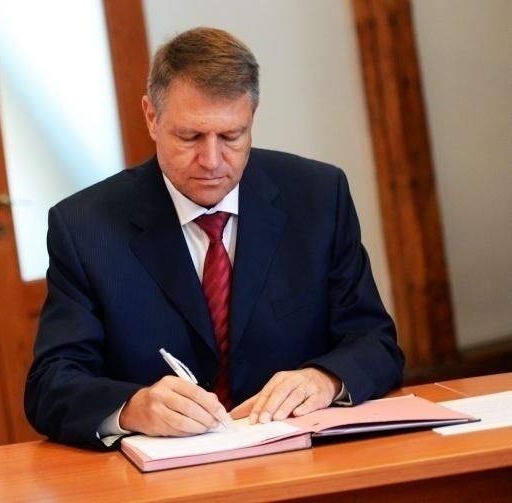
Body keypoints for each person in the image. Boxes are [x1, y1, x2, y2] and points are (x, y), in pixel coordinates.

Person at [24, 27, 404, 448]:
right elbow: (50, 384)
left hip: (300, 455)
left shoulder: (317, 196)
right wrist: (133, 406)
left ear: (252, 117)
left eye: (231, 137)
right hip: (165, 472)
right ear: (151, 117)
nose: (211, 161)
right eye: (190, 137)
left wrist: (324, 379)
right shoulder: (85, 228)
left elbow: (375, 342)